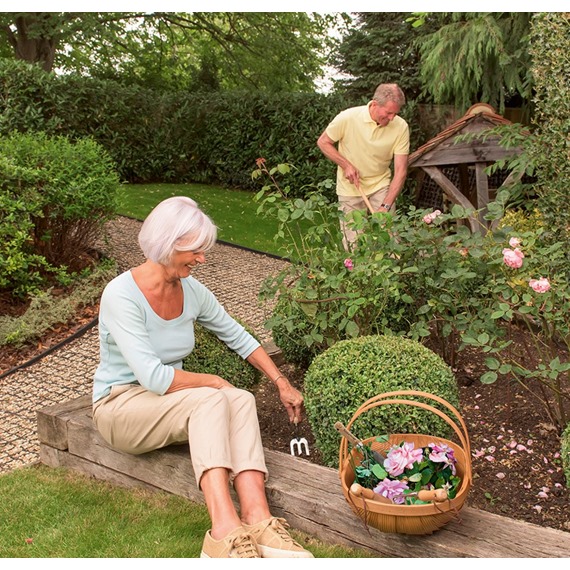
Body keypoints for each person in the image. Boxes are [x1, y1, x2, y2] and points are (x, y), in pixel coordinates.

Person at [91, 196, 314, 559]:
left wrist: (280, 382)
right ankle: (222, 535)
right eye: (195, 250)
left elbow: (237, 335)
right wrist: (213, 381)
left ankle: (258, 519)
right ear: (168, 243)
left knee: (240, 397)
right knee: (214, 395)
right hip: (120, 406)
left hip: (166, 402)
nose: (202, 259)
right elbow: (152, 377)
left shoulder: (191, 291)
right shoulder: (121, 295)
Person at [317, 83, 410, 249]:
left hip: (380, 185)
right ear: (374, 104)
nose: (391, 118)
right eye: (388, 113)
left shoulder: (401, 126)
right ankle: (358, 274)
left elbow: (401, 171)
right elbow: (323, 142)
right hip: (350, 187)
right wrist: (345, 165)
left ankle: (390, 273)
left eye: (395, 113)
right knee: (354, 243)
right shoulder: (347, 118)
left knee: (389, 238)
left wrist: (385, 206)